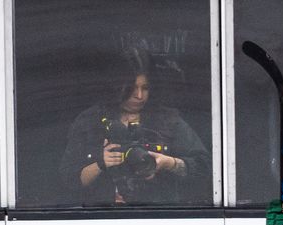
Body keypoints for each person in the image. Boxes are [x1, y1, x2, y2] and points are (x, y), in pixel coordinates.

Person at [59, 47, 208, 206]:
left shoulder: (168, 120)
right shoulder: (89, 121)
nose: (139, 96)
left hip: (159, 218)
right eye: (131, 88)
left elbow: (205, 167)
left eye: (145, 88)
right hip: (102, 219)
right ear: (116, 86)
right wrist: (100, 163)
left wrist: (168, 163)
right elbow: (69, 181)